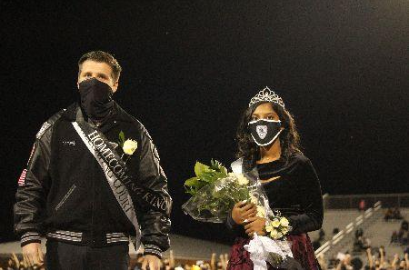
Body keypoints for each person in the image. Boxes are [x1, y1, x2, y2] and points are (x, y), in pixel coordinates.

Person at [14, 51, 172, 270]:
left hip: (113, 250)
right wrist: (29, 234)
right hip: (62, 247)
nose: (93, 81)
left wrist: (154, 245)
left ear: (115, 84)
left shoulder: (134, 129)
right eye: (87, 75)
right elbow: (31, 184)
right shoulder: (57, 126)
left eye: (102, 77)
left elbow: (156, 190)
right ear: (77, 80)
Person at [226, 87, 323, 269]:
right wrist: (233, 218)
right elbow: (233, 222)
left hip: (289, 252)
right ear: (248, 126)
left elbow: (315, 217)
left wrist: (272, 226)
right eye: (255, 118)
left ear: (282, 123)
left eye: (269, 117)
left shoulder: (299, 164)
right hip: (248, 254)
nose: (261, 123)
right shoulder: (241, 167)